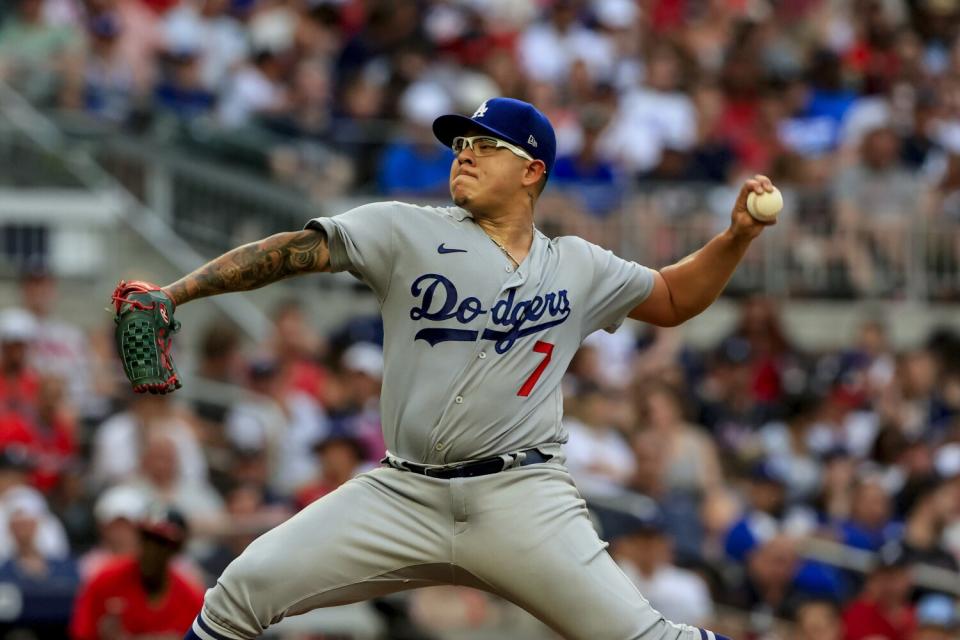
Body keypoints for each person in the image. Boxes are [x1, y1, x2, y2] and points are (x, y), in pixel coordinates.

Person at [127, 97, 776, 640]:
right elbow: (295, 251)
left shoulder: (580, 264)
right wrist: (176, 293)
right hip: (403, 492)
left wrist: (736, 238)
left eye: (487, 144)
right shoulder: (404, 230)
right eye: (462, 141)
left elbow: (671, 298)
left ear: (532, 171)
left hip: (522, 499)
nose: (465, 151)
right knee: (240, 592)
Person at [70, 506, 204, 640]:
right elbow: (81, 632)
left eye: (161, 543)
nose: (151, 550)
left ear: (176, 550)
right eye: (146, 539)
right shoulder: (105, 581)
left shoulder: (191, 597)